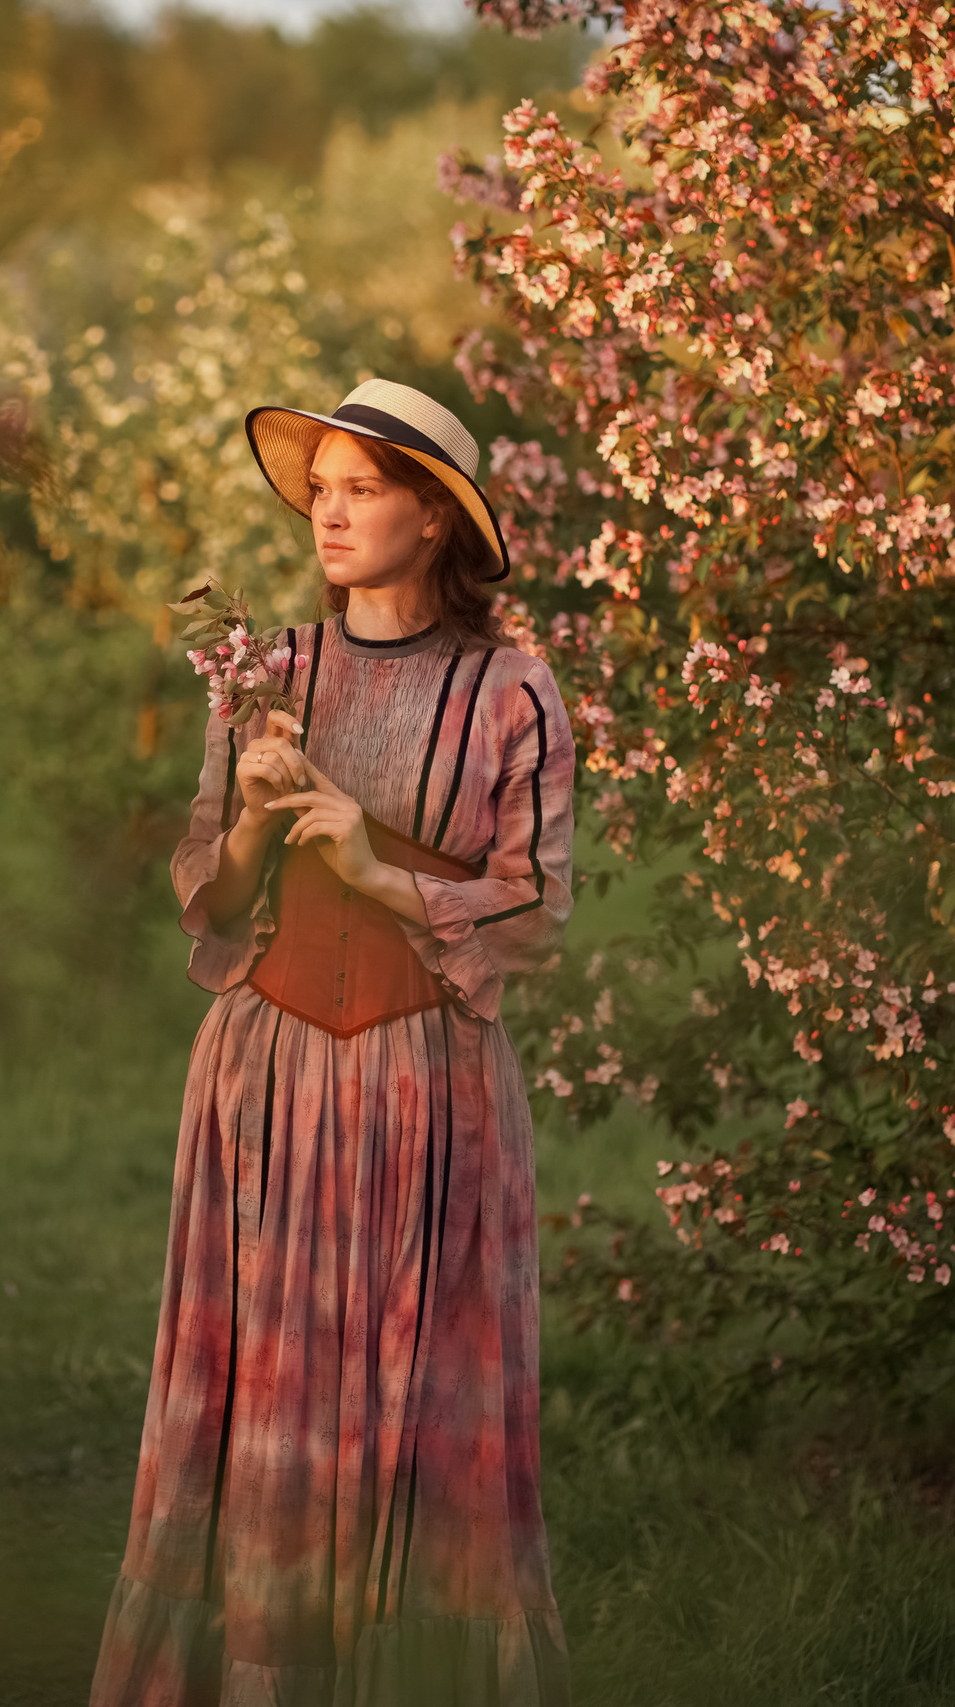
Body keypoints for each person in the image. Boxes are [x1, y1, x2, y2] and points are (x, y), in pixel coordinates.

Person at [89, 380, 575, 1705]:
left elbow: (533, 912)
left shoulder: (512, 695)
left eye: (364, 488)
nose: (331, 511)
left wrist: (374, 863)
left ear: (437, 519)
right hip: (267, 1079)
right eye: (321, 489)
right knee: (267, 1407)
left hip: (429, 1092)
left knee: (422, 1413)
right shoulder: (265, 674)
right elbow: (210, 892)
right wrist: (251, 819)